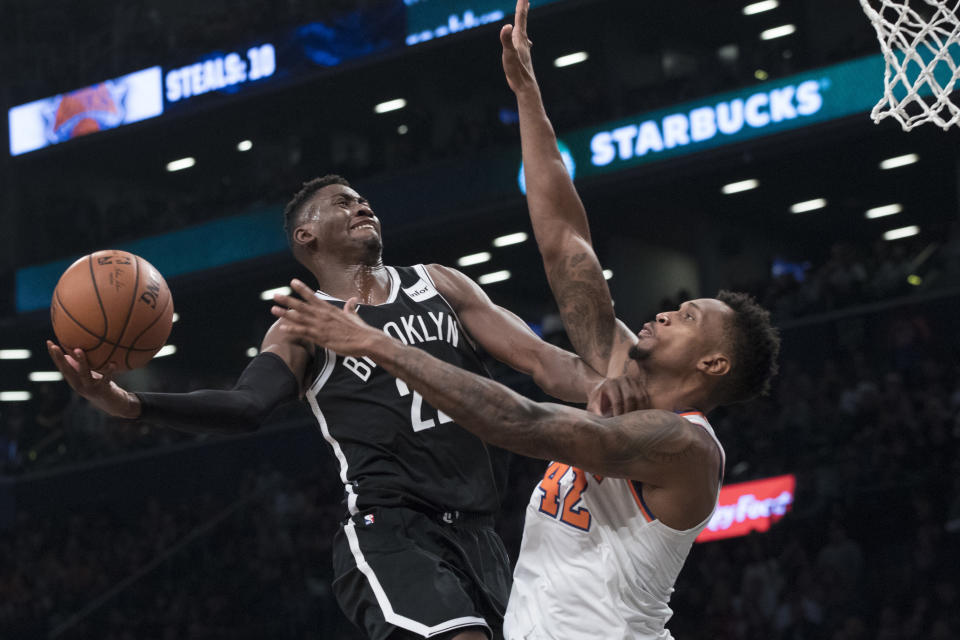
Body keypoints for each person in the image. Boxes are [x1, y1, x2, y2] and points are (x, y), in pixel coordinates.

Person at [269, 3, 780, 638]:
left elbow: (521, 422)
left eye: (689, 316)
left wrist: (379, 345)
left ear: (713, 364)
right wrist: (527, 95)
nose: (669, 309)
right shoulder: (616, 373)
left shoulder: (686, 448)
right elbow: (567, 244)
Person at [46, 174, 612, 640]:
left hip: (482, 533)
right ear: (306, 235)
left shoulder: (438, 284)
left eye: (363, 199)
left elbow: (541, 360)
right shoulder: (303, 324)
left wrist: (610, 389)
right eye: (343, 203)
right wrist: (129, 404)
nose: (363, 204)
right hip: (392, 531)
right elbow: (246, 406)